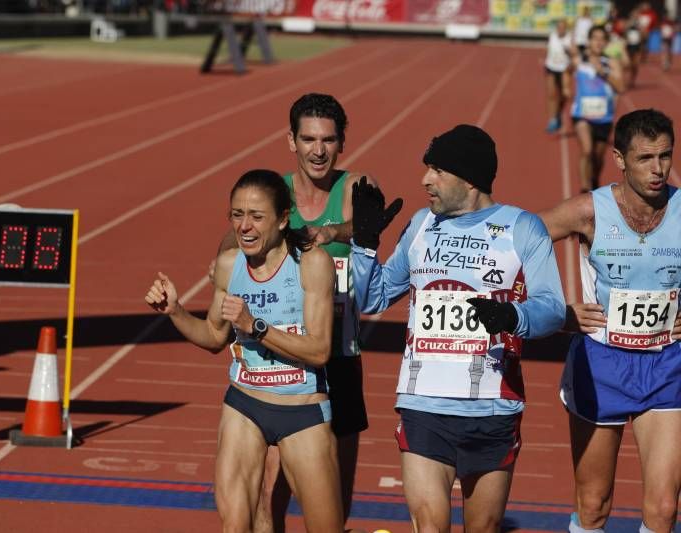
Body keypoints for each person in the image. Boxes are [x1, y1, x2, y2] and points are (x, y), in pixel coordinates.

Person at [350, 125, 566, 531]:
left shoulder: (523, 228)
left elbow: (553, 310)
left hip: (492, 406)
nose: (424, 180)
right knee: (429, 525)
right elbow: (371, 299)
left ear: (468, 179)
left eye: (436, 170)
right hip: (423, 403)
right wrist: (364, 244)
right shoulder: (419, 225)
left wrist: (512, 316)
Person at [146, 169, 343, 532]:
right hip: (245, 404)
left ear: (283, 219)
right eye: (237, 215)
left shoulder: (312, 264)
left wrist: (256, 326)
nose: (245, 227)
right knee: (236, 524)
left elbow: (319, 351)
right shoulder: (229, 265)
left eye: (256, 216)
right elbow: (213, 337)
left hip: (301, 411)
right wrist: (175, 311)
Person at [216, 93, 377, 532]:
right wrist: (222, 261)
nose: (318, 150)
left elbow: (367, 224)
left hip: (338, 354)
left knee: (332, 492)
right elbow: (234, 239)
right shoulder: (274, 192)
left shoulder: (357, 188)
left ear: (342, 142)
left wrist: (329, 232)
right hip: (280, 362)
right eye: (308, 139)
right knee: (267, 488)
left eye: (327, 140)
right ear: (291, 141)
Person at [539, 108, 681, 533]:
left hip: (668, 364)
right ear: (619, 159)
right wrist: (555, 311)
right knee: (594, 504)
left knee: (663, 509)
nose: (658, 170)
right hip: (602, 364)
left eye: (666, 156)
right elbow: (519, 244)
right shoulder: (590, 210)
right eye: (644, 159)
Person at [570, 25, 625, 193]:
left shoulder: (611, 63)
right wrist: (566, 86)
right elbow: (567, 71)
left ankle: (594, 180)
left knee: (598, 157)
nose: (599, 42)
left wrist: (603, 72)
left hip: (604, 117)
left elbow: (621, 87)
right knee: (587, 150)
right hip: (582, 115)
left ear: (606, 42)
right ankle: (585, 189)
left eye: (602, 39)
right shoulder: (579, 60)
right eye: (595, 38)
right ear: (589, 41)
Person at [545, 18, 574, 134]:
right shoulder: (552, 36)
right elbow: (549, 50)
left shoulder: (569, 39)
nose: (560, 29)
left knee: (564, 95)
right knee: (552, 94)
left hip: (564, 70)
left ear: (565, 28)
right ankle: (553, 120)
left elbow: (574, 53)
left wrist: (570, 52)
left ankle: (559, 112)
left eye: (563, 27)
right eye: (559, 27)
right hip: (551, 67)